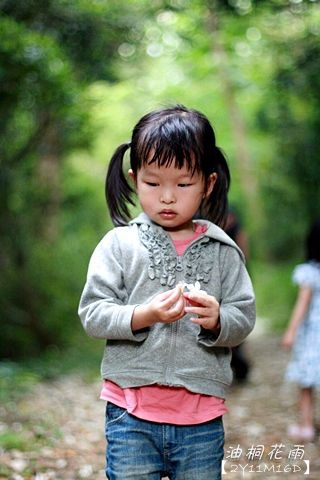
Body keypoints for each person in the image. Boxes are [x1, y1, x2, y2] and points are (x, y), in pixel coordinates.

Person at [78, 105, 256, 480]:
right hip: (130, 413)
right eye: (153, 183)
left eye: (183, 184)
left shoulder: (223, 251)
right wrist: (144, 315)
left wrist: (219, 320)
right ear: (134, 178)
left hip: (202, 417)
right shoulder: (119, 245)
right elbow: (93, 313)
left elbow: (244, 317)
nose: (168, 197)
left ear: (207, 183)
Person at [282, 217, 320, 442]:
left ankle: (306, 425)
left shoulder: (310, 273)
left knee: (307, 383)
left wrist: (290, 330)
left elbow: (302, 305)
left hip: (313, 338)